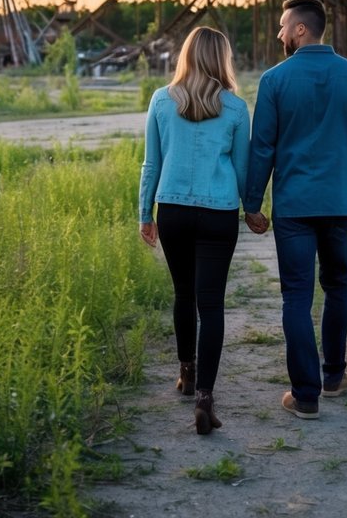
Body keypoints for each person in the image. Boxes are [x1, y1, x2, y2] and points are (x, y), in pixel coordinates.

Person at [243, 0, 347, 420]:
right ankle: (335, 376)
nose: (280, 34)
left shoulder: (275, 81)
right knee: (338, 285)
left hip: (295, 208)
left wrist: (252, 203)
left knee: (297, 296)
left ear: (301, 29)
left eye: (284, 26)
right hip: (340, 204)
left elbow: (262, 146)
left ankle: (306, 396)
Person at [138, 26, 250, 435]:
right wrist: (253, 210)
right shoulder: (236, 109)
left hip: (172, 211)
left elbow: (151, 163)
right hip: (219, 212)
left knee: (183, 293)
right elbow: (243, 170)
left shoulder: (160, 102)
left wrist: (144, 214)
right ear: (223, 59)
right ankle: (205, 397)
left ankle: (186, 372)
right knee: (212, 304)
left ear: (185, 56)